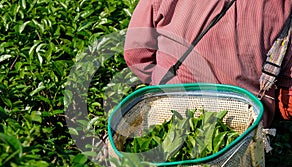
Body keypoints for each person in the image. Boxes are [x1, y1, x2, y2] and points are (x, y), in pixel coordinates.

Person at [123, 0, 292, 127]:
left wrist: (164, 80)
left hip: (170, 108)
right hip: (240, 128)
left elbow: (135, 53)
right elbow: (288, 101)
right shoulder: (285, 6)